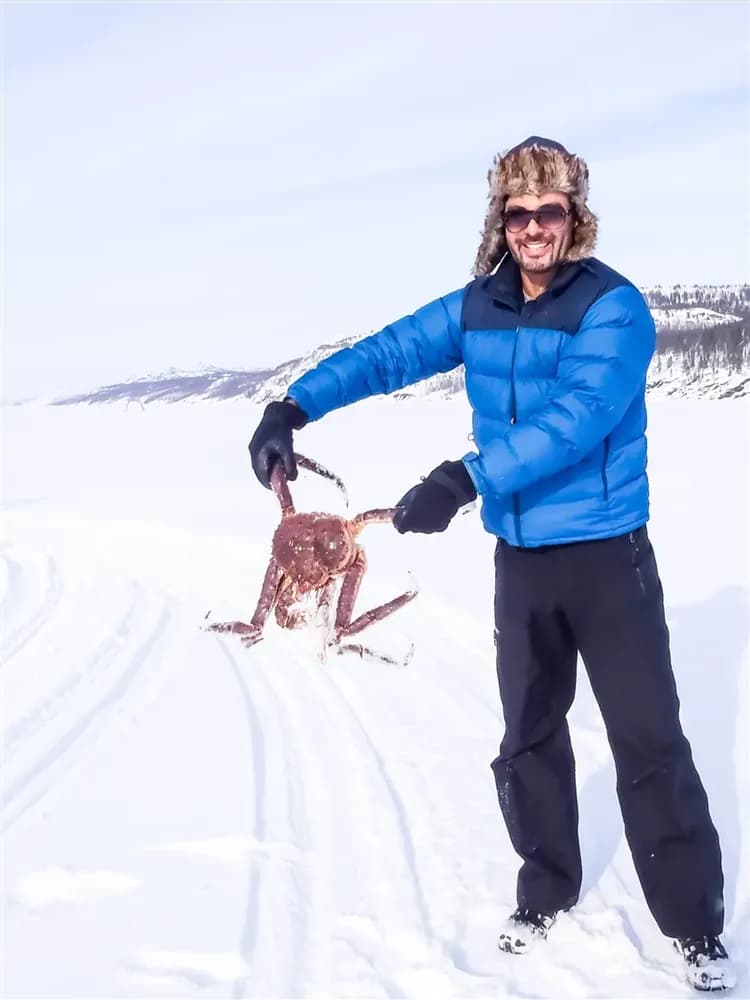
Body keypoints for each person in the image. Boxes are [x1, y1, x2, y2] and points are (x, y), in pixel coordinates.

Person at [247, 137, 735, 992]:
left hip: (606, 556)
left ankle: (694, 928)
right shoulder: (482, 303)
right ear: (501, 220)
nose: (535, 226)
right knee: (529, 737)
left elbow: (580, 418)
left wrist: (465, 478)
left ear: (573, 217)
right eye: (520, 212)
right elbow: (392, 352)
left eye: (550, 211)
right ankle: (546, 890)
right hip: (523, 561)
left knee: (647, 741)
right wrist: (293, 405)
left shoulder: (613, 309)